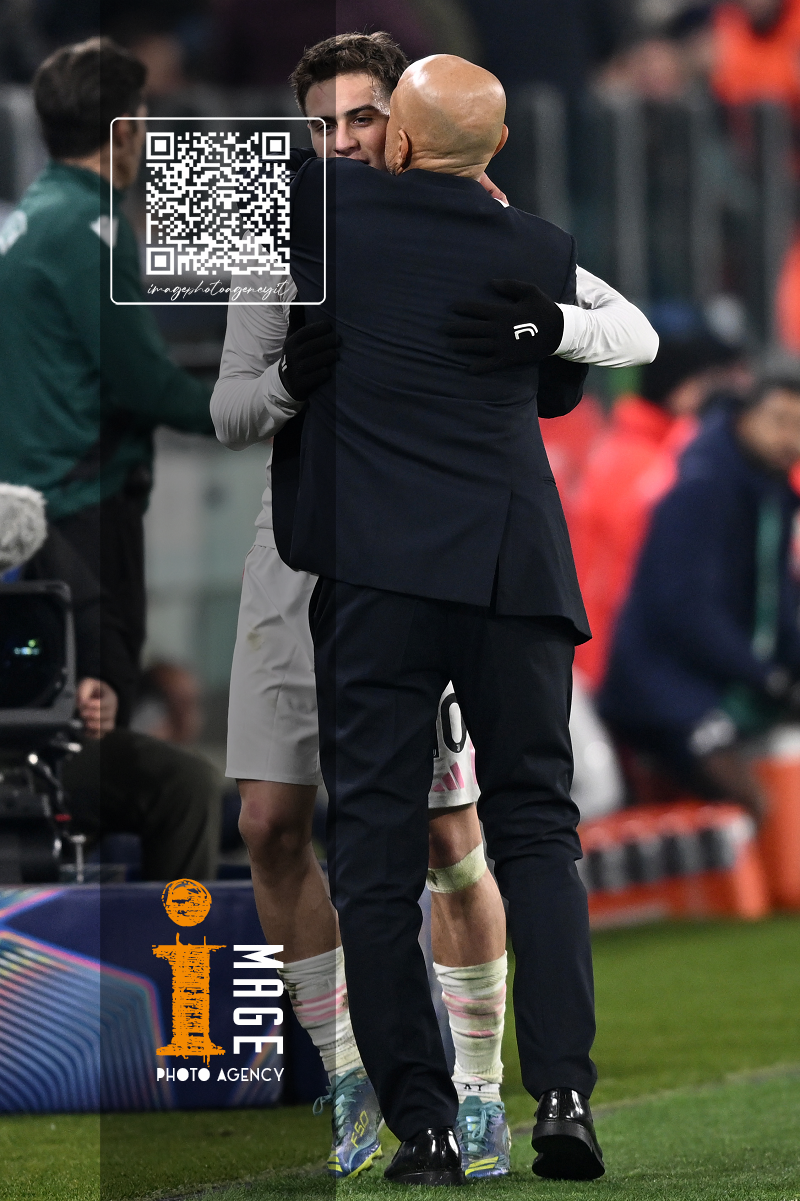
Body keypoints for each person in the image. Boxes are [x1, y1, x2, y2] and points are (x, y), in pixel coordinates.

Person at [212, 31, 656, 1181]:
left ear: (396, 139)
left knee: (371, 849)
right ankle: (560, 1097)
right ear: (497, 146)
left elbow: (168, 202)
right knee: (536, 833)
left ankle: (417, 1124)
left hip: (375, 580)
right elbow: (601, 355)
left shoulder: (312, 211)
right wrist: (550, 324)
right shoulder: (534, 246)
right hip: (512, 573)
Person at [0, 37, 215, 680]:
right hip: (82, 516)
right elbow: (146, 384)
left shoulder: (32, 215)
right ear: (124, 132)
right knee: (101, 698)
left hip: (36, 512)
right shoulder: (90, 227)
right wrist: (264, 407)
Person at [598, 372, 800, 826]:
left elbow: (776, 599)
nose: (789, 439)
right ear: (745, 417)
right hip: (660, 686)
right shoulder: (703, 485)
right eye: (779, 420)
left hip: (711, 680)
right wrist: (766, 678)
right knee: (753, 803)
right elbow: (685, 611)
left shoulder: (770, 493)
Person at [0, 484, 222, 881]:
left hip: (42, 750)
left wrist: (101, 683)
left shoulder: (19, 524)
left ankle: (179, 922)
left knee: (186, 783)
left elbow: (92, 618)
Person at [571, 333, 742, 690]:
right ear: (681, 386)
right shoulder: (650, 462)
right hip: (617, 662)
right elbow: (633, 571)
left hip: (609, 654)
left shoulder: (632, 449)